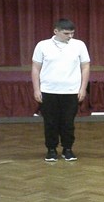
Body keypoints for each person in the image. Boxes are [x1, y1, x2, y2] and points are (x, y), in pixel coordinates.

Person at [32, 18, 90, 162]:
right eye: (66, 33)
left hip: (71, 91)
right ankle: (51, 149)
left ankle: (67, 149)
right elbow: (35, 68)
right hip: (48, 91)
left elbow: (85, 67)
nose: (70, 36)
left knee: (68, 122)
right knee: (50, 122)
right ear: (56, 31)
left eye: (72, 33)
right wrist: (36, 89)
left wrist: (83, 88)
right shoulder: (42, 45)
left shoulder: (79, 45)